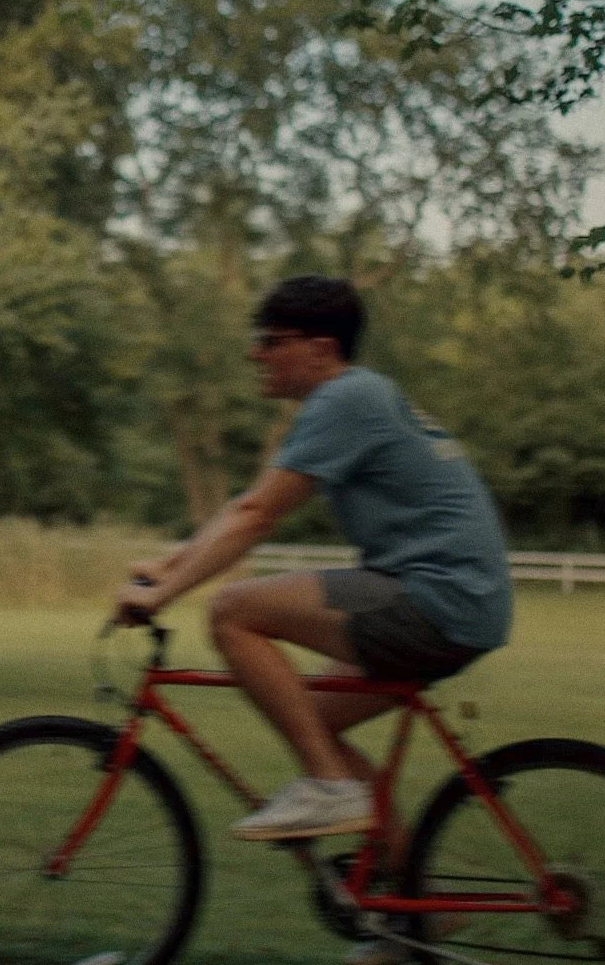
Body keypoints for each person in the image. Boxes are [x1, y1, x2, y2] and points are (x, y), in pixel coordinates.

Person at [113, 274, 510, 853]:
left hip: (431, 599)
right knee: (312, 721)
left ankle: (330, 788)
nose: (256, 352)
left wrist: (161, 596)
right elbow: (246, 507)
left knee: (232, 611)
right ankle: (412, 920)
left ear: (321, 349)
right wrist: (168, 565)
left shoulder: (345, 399)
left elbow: (255, 518)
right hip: (455, 601)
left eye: (272, 339)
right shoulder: (358, 396)